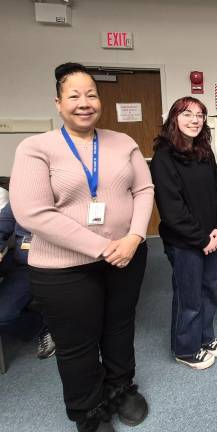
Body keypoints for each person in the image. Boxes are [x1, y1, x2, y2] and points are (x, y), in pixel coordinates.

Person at [10, 63, 153, 432]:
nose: (84, 102)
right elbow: (32, 213)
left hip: (127, 256)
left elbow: (144, 190)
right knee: (77, 343)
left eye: (91, 94)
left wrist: (135, 237)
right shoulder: (36, 147)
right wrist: (103, 247)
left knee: (120, 328)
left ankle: (121, 388)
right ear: (58, 103)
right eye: (74, 95)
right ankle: (87, 411)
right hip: (63, 269)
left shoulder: (123, 142)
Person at [150, 97, 217, 370]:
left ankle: (204, 337)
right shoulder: (163, 157)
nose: (195, 120)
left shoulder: (203, 151)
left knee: (209, 290)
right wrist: (202, 239)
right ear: (174, 118)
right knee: (189, 297)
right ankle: (185, 347)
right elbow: (172, 211)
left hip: (211, 237)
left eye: (200, 115)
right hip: (185, 242)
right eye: (187, 114)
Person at [0, 200, 55, 359]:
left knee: (3, 316)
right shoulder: (20, 195)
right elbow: (3, 224)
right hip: (19, 259)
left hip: (46, 264)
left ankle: (42, 325)